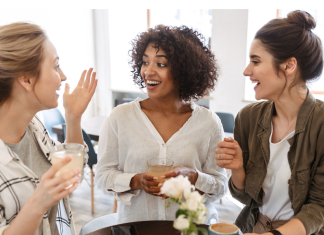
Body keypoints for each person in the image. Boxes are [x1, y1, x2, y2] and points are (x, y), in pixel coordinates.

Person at [95, 25, 228, 224]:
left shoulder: (208, 123)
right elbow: (102, 177)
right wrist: (135, 181)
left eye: (161, 64)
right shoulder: (121, 117)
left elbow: (220, 186)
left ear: (184, 70)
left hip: (192, 228)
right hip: (137, 227)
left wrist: (194, 177)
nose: (148, 71)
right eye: (145, 62)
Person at [215, 10, 324, 235]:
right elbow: (246, 198)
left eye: (255, 61)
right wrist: (237, 168)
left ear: (289, 66)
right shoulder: (248, 118)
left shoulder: (320, 124)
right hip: (253, 228)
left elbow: (319, 207)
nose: (247, 71)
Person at [0, 22, 97, 235]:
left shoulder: (34, 128)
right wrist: (38, 203)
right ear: (26, 79)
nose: (62, 76)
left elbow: (71, 175)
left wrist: (73, 117)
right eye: (55, 66)